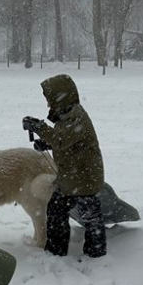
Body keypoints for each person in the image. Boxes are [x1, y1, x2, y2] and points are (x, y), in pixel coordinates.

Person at [23, 74, 107, 258]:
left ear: (61, 96)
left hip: (84, 176)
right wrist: (46, 143)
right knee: (56, 210)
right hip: (72, 176)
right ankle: (56, 250)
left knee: (90, 216)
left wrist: (40, 128)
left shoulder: (76, 116)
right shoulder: (68, 115)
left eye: (49, 99)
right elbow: (67, 142)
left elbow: (61, 140)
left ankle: (96, 253)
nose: (47, 104)